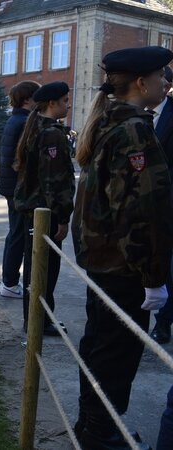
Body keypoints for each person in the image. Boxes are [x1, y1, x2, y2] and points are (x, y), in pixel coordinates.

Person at [72, 46, 173, 450]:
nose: (167, 82)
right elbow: (142, 210)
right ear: (140, 82)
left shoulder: (110, 122)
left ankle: (91, 425)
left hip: (103, 262)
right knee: (116, 354)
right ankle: (102, 434)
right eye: (162, 75)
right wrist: (153, 277)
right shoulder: (134, 129)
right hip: (124, 267)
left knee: (98, 345)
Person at [13, 81, 75, 337]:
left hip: (35, 210)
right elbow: (54, 181)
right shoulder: (51, 134)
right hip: (45, 212)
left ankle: (36, 319)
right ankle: (39, 321)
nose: (67, 105)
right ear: (52, 104)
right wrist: (62, 216)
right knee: (44, 271)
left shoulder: (37, 127)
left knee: (36, 268)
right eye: (64, 101)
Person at [0, 80, 41, 299]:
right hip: (18, 188)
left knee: (16, 233)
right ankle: (10, 282)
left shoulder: (16, 119)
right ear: (27, 100)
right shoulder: (24, 122)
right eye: (37, 98)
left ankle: (9, 281)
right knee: (18, 235)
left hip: (11, 186)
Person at [150, 65, 173, 345]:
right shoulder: (130, 114)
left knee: (167, 266)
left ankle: (163, 322)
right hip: (136, 209)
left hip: (167, 203)